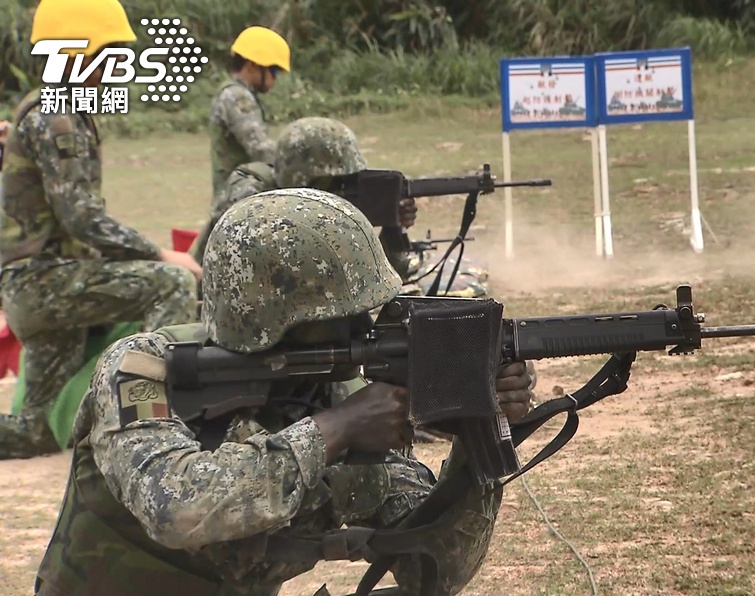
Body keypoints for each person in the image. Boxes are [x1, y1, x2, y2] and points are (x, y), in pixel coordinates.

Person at [33, 188, 537, 595]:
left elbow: (437, 570)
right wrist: (334, 432)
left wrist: (480, 441)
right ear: (271, 317)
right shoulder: (143, 368)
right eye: (345, 314)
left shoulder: (339, 390)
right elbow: (176, 508)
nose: (366, 325)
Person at [0, 0, 202, 460]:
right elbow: (82, 218)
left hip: (46, 285)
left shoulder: (63, 108)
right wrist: (156, 253)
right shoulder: (54, 117)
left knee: (37, 432)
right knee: (169, 283)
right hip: (46, 283)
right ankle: (149, 425)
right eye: (108, 53)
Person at [193, 116, 417, 278]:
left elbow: (376, 276)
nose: (340, 191)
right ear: (304, 178)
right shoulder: (252, 198)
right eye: (335, 182)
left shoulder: (297, 202)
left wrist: (389, 225)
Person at [208, 26, 290, 201]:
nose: (275, 79)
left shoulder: (240, 94)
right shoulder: (236, 97)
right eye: (274, 71)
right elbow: (260, 148)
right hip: (237, 200)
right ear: (252, 66)